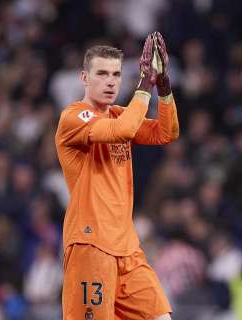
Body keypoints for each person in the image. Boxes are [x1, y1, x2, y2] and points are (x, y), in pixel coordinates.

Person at [55, 32, 179, 320]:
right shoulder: (73, 117)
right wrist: (145, 85)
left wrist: (162, 85)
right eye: (101, 73)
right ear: (84, 78)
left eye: (116, 74)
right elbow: (120, 132)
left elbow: (166, 132)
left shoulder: (121, 115)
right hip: (91, 244)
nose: (110, 81)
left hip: (127, 248)